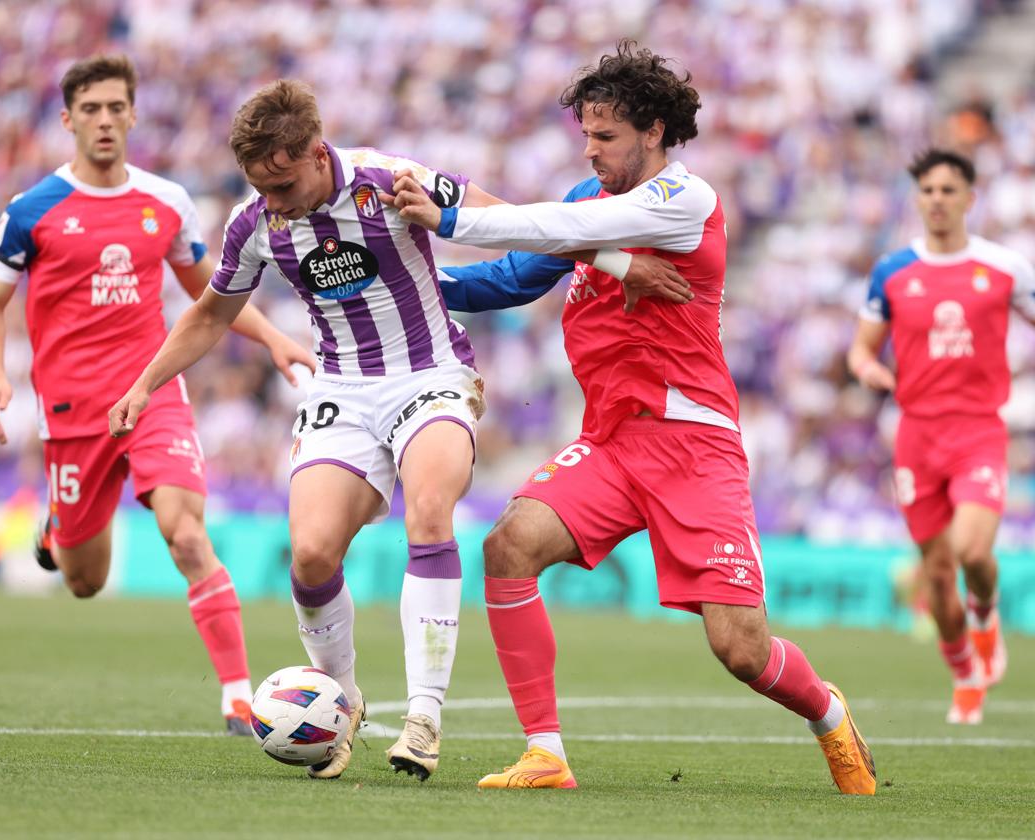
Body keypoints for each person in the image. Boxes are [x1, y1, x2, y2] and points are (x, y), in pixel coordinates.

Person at [387, 40, 876, 794]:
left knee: (740, 649)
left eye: (605, 136)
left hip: (694, 445)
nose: (590, 151)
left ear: (652, 131)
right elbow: (516, 275)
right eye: (585, 135)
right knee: (509, 546)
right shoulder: (589, 206)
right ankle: (545, 753)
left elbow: (542, 229)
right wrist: (412, 284)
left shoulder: (686, 200)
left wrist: (449, 212)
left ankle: (827, 714)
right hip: (612, 444)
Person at [109, 79, 505, 782]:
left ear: (317, 153)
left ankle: (423, 715)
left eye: (284, 183)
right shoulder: (253, 223)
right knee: (312, 557)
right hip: (343, 390)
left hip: (430, 373)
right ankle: (343, 702)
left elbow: (502, 218)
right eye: (261, 187)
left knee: (429, 510)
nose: (276, 201)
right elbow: (209, 316)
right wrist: (145, 383)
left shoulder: (390, 180)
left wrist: (607, 259)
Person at [0, 55, 314, 735]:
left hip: (152, 391)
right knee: (83, 579)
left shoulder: (166, 202)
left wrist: (273, 338)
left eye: (115, 107)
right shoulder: (32, 210)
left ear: (131, 114)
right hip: (71, 412)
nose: (104, 120)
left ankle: (238, 695)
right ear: (69, 120)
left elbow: (209, 296)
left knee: (185, 533)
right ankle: (56, 528)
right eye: (90, 109)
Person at [848, 148, 1035, 724]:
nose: (937, 200)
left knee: (972, 551)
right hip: (917, 436)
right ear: (917, 197)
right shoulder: (893, 270)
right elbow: (861, 346)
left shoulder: (1004, 268)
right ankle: (964, 676)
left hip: (978, 429)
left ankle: (986, 616)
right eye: (928, 190)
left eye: (948, 190)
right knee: (935, 573)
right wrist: (867, 368)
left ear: (970, 199)